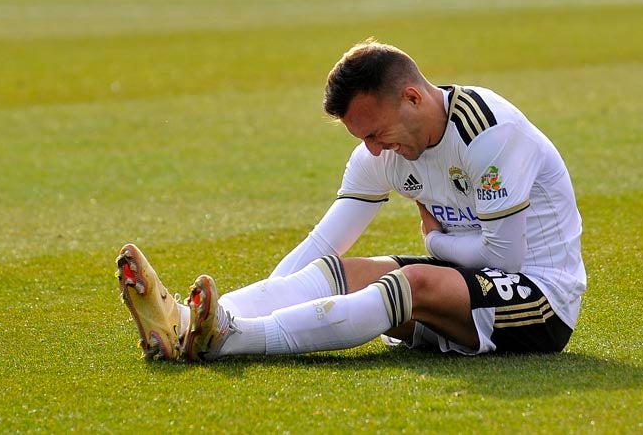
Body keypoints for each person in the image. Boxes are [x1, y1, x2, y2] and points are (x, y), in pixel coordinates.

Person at [116, 40, 587, 362]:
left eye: (377, 132)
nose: (375, 150)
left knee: (414, 280)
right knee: (341, 272)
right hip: (465, 286)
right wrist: (233, 307)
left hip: (540, 301)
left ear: (412, 98)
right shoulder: (378, 150)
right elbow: (322, 245)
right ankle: (191, 325)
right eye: (363, 138)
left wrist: (437, 244)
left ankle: (230, 341)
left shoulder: (490, 134)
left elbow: (506, 257)